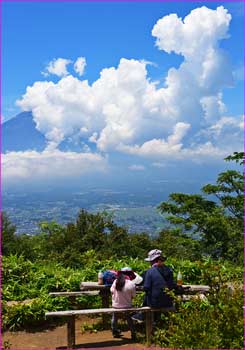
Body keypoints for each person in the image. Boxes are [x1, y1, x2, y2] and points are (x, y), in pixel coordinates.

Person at [132, 249, 180, 324]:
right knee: (157, 294)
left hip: (155, 303)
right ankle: (155, 319)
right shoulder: (169, 270)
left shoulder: (150, 271)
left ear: (153, 261)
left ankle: (142, 316)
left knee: (148, 295)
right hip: (168, 302)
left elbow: (146, 287)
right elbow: (171, 285)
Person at [110, 267, 137, 340]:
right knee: (129, 318)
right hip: (127, 306)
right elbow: (134, 296)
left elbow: (111, 291)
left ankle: (114, 332)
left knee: (114, 317)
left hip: (116, 305)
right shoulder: (131, 284)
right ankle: (133, 333)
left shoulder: (115, 281)